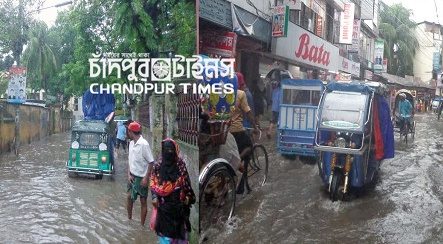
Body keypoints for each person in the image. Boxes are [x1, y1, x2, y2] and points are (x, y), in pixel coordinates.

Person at [150, 138, 196, 244]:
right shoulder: (157, 166)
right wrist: (154, 197)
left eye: (171, 150)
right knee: (167, 239)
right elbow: (153, 187)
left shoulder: (180, 166)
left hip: (179, 213)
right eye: (167, 150)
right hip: (164, 213)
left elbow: (188, 190)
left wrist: (186, 199)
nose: (169, 153)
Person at [229, 82, 259, 194]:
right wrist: (255, 126)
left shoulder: (218, 92)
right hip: (237, 130)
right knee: (249, 147)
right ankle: (236, 163)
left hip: (224, 131)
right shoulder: (240, 94)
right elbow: (249, 112)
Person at [126, 121, 155, 226]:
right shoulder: (131, 144)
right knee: (129, 198)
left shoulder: (144, 144)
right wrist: (128, 174)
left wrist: (146, 178)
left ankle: (142, 225)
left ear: (130, 132)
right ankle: (129, 219)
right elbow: (129, 160)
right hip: (132, 176)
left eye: (128, 131)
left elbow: (151, 162)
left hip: (141, 177)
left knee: (143, 201)